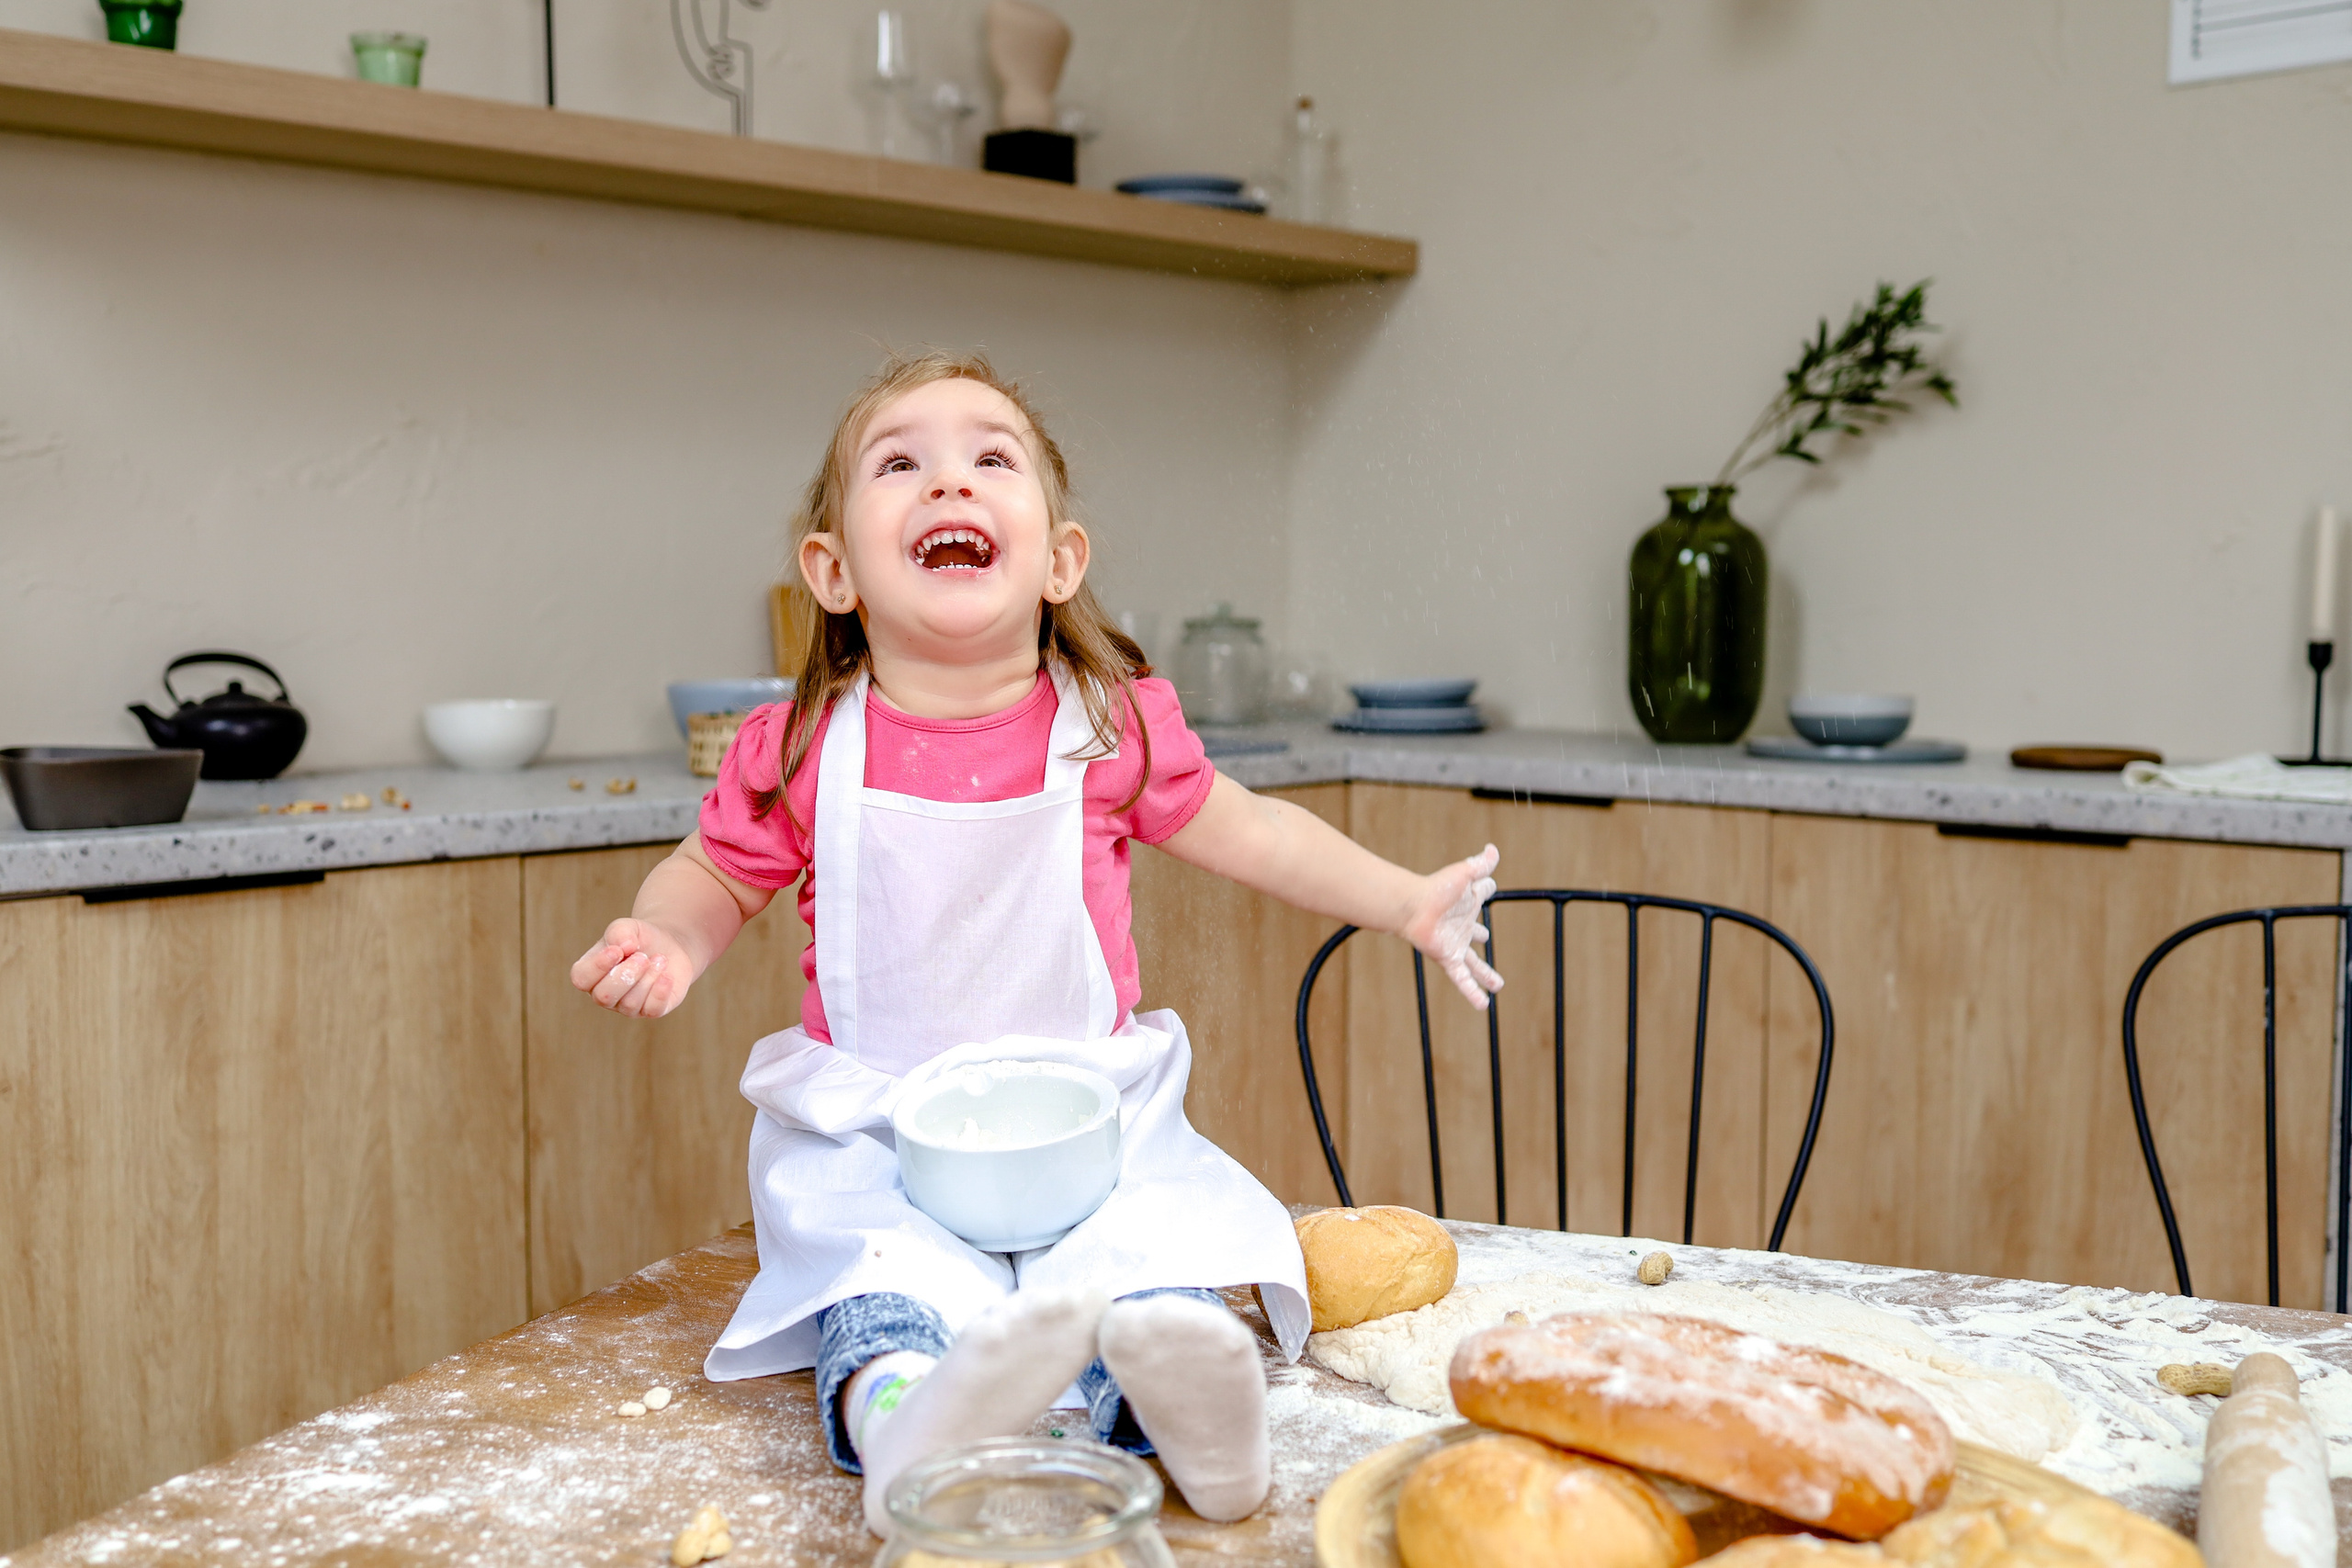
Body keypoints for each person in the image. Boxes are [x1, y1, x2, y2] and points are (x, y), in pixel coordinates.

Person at [571, 351, 1504, 1533]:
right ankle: (902, 1413)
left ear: (1060, 560)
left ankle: (1186, 1421)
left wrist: (1404, 900)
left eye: (990, 459)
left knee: (1147, 1265)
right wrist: (666, 935)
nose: (948, 484)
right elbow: (713, 871)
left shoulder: (1110, 728)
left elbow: (1257, 834)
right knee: (879, 1287)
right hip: (881, 1137)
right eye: (900, 463)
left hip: (1087, 1127)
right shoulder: (803, 744)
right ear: (834, 572)